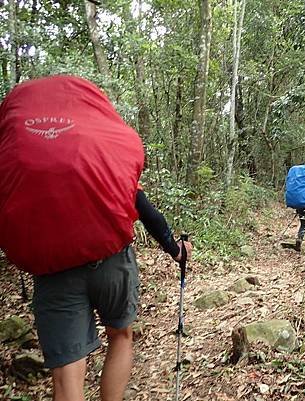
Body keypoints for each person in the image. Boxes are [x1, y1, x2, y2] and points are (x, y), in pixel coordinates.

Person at [0, 75, 192, 401]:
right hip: (112, 262)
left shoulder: (24, 165)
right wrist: (176, 250)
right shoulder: (103, 170)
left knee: (66, 376)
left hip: (53, 272)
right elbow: (147, 212)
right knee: (121, 335)